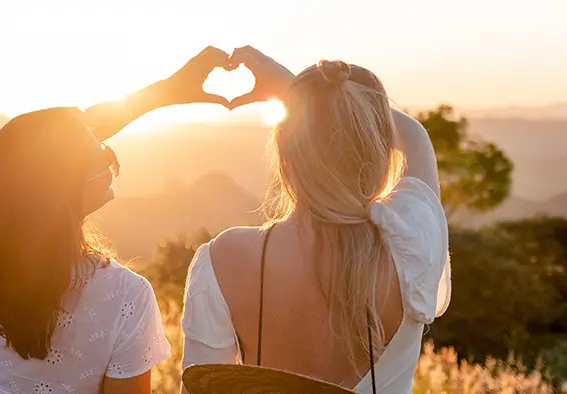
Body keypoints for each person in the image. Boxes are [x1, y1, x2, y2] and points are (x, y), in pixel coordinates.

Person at [0, 46, 235, 394]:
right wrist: (167, 92)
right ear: (70, 186)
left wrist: (167, 91)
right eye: (101, 153)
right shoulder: (126, 297)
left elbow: (34, 158)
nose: (109, 156)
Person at [180, 47, 451, 393]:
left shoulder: (226, 258)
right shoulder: (412, 246)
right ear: (382, 155)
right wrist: (309, 92)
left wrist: (307, 97)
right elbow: (414, 137)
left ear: (284, 156)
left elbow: (200, 388)